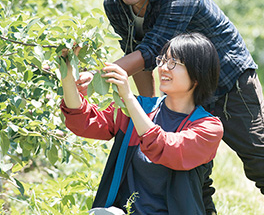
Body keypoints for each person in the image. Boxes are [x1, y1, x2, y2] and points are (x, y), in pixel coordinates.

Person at [76, 0, 264, 203]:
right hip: (181, 92)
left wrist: (98, 76)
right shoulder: (114, 4)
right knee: (192, 175)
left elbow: (151, 50)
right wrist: (147, 106)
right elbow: (135, 54)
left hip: (229, 83)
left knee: (258, 159)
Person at [60, 32, 224, 215]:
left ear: (197, 75)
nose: (163, 68)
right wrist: (67, 74)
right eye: (162, 60)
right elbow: (83, 121)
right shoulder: (140, 108)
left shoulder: (208, 127)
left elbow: (166, 147)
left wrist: (128, 98)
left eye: (174, 63)